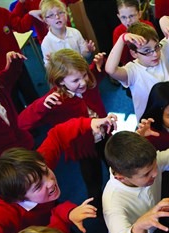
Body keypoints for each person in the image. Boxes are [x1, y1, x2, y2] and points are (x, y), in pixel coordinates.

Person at [18, 49, 108, 213]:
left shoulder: (87, 82)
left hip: (105, 135)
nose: (83, 82)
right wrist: (41, 105)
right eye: (76, 80)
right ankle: (99, 212)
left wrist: (99, 65)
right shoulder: (56, 101)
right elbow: (22, 122)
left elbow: (97, 76)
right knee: (94, 183)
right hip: (84, 149)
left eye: (84, 75)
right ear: (60, 82)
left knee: (117, 166)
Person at [105, 15, 169, 121]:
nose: (155, 54)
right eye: (147, 51)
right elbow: (110, 69)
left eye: (156, 47)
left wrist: (164, 19)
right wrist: (122, 39)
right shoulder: (132, 71)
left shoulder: (162, 52)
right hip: (150, 125)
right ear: (134, 53)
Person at [39, 0, 95, 66]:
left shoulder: (75, 32)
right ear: (46, 21)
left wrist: (88, 51)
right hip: (64, 74)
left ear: (66, 14)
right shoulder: (46, 43)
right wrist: (52, 63)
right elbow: (48, 67)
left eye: (60, 13)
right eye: (51, 15)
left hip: (81, 69)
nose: (57, 17)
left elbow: (85, 55)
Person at [11, 0, 79, 45]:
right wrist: (30, 14)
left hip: (68, 35)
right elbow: (17, 26)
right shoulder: (27, 2)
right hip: (48, 41)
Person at [113, 0, 155, 67]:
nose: (128, 21)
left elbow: (155, 47)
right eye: (123, 17)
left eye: (132, 16)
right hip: (131, 66)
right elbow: (120, 58)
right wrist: (124, 41)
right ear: (119, 17)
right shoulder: (118, 32)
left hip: (150, 62)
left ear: (139, 14)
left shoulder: (148, 26)